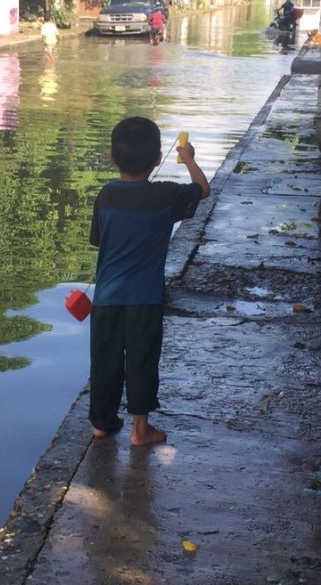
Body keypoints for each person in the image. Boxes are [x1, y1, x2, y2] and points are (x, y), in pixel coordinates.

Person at [88, 117, 210, 446]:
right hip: (145, 299)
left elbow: (98, 240)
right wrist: (189, 159)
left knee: (104, 361)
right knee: (142, 360)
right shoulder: (165, 197)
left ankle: (101, 423)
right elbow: (203, 189)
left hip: (106, 298)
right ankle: (140, 430)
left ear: (112, 156)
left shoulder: (106, 196)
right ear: (158, 159)